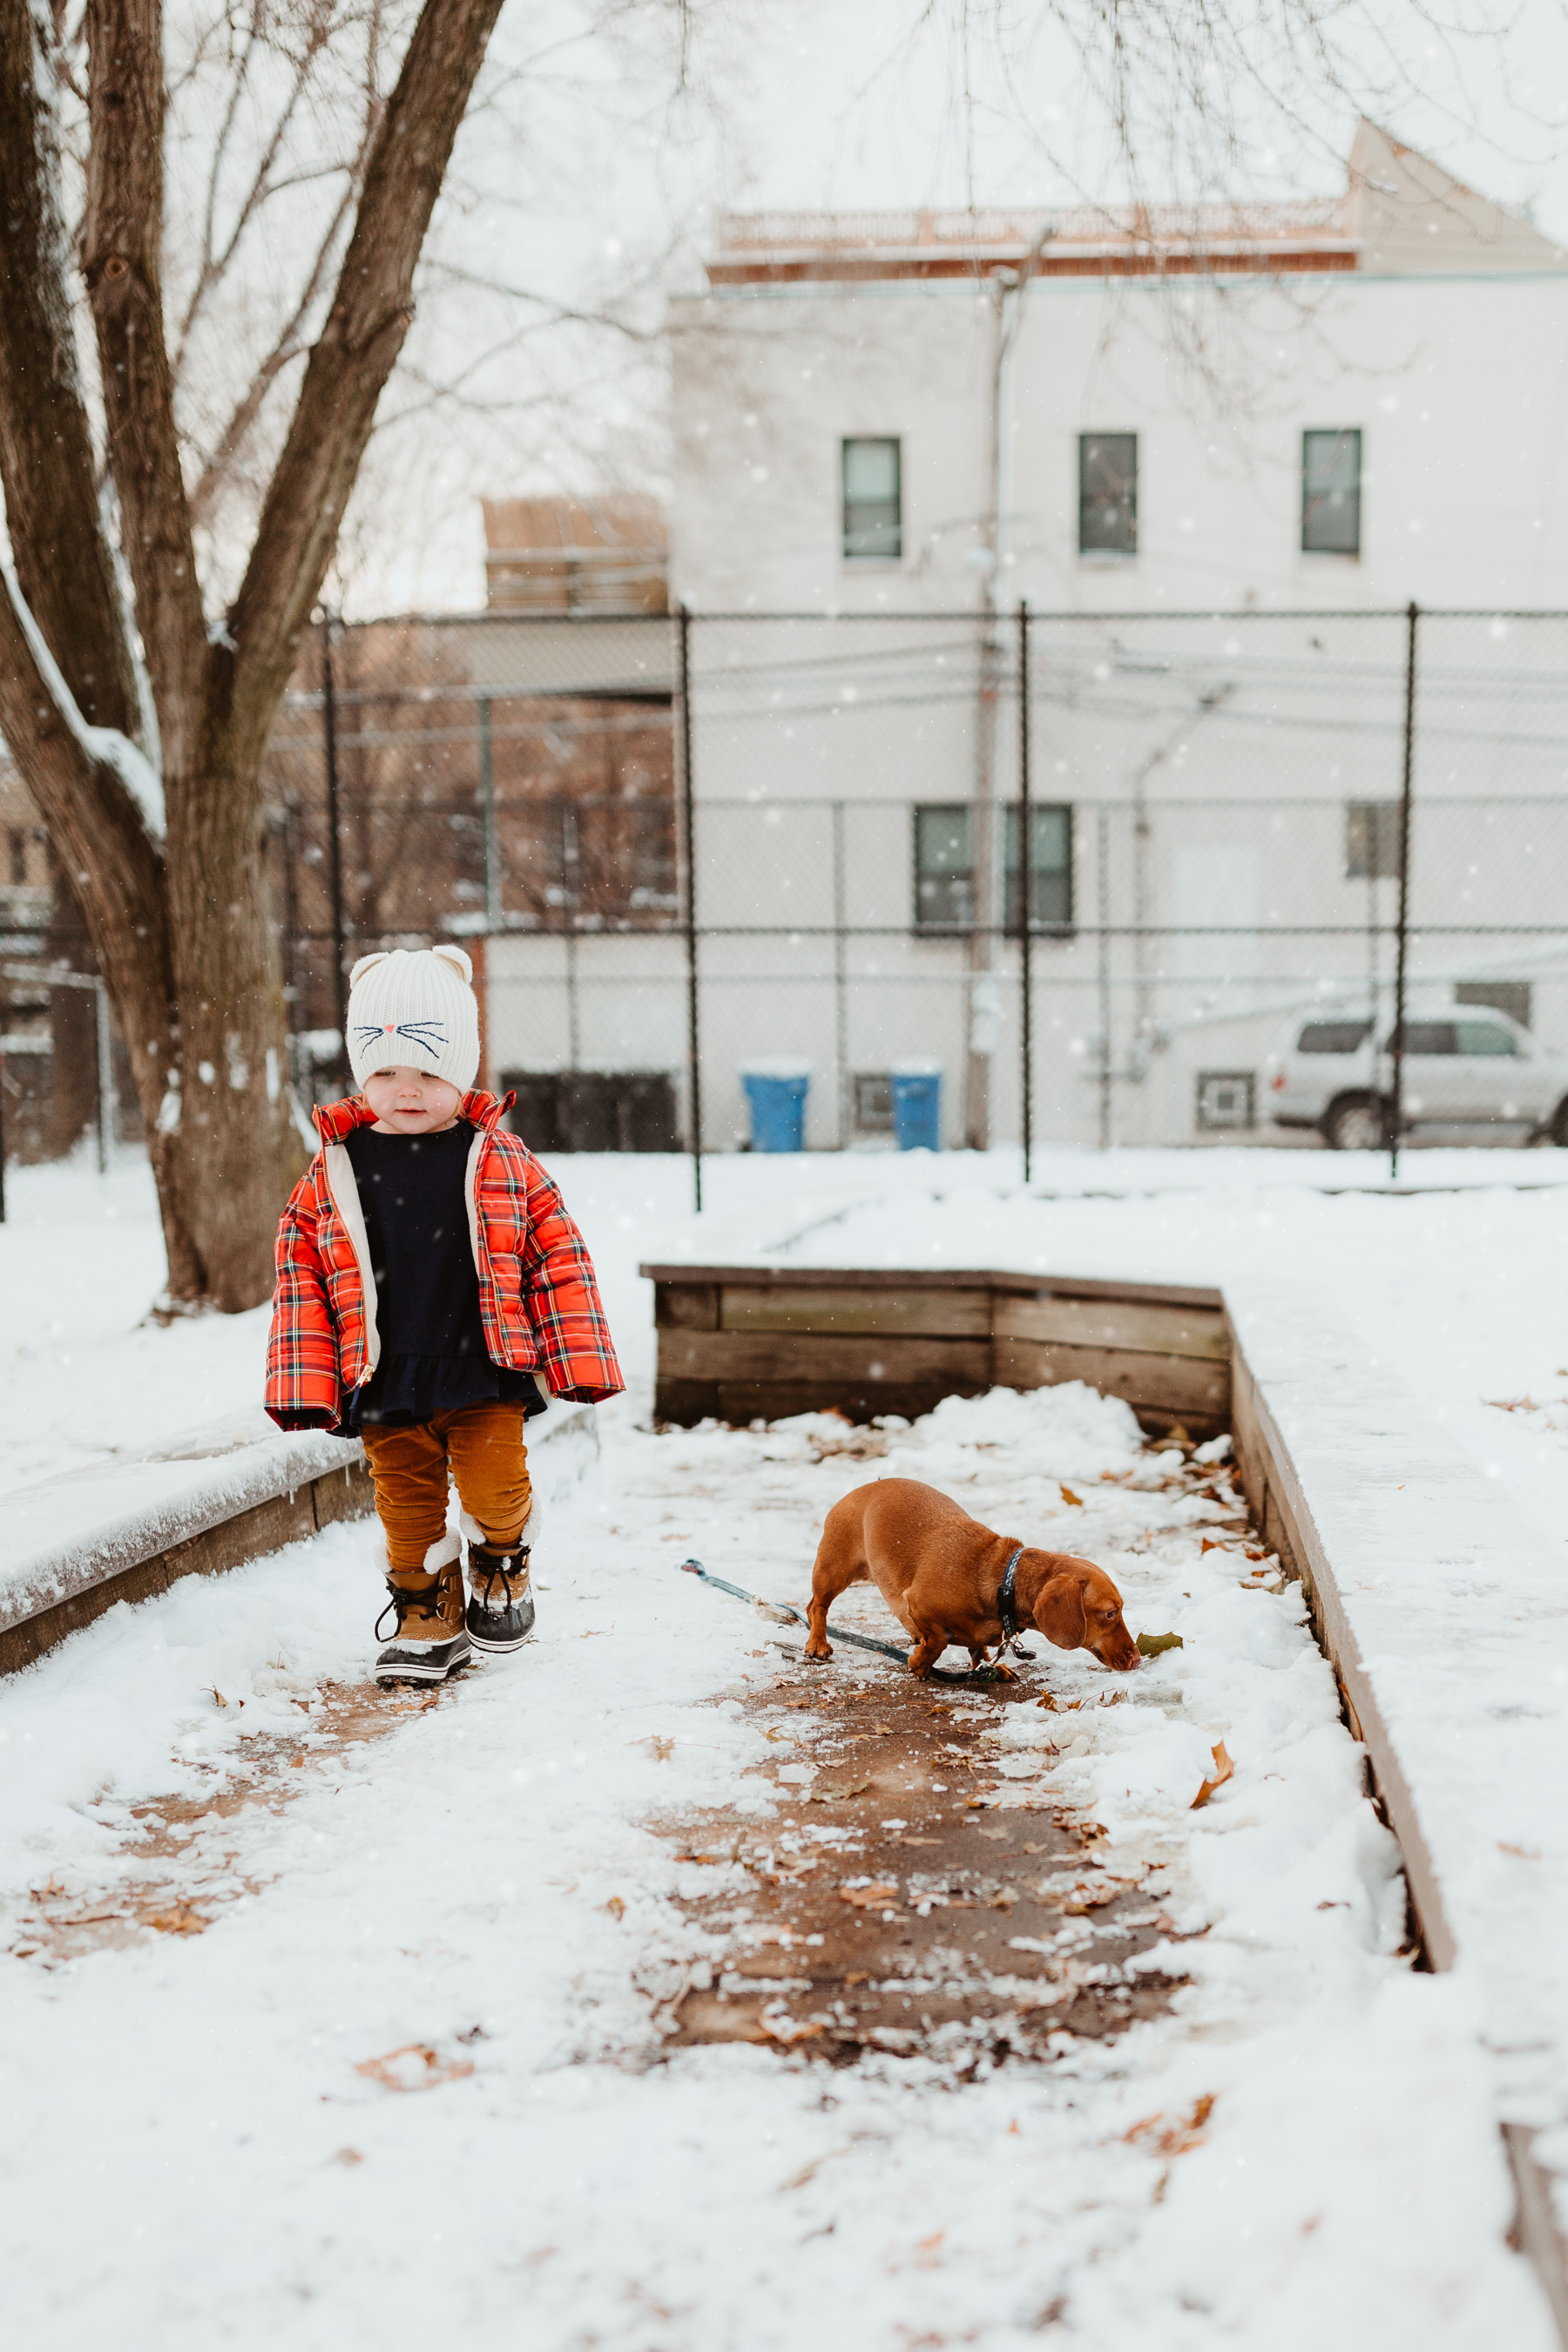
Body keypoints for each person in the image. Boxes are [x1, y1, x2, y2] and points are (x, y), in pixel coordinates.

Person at [264, 943, 623, 1686]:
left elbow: (556, 1254)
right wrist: (304, 1377)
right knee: (405, 1506)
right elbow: (301, 1271)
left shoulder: (497, 1157)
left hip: (483, 1365)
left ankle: (501, 1558)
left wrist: (577, 1357)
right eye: (386, 1070)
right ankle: (427, 1608)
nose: (407, 1090)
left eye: (429, 1071)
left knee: (496, 1491)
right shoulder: (335, 1166)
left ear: (462, 1070)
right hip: (386, 1372)